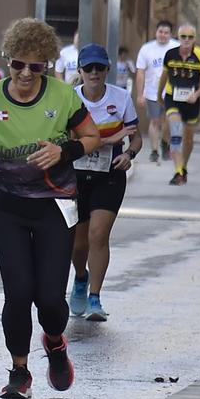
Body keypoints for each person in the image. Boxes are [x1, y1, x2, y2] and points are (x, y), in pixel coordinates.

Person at [0, 19, 100, 399]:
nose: (25, 73)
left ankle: (55, 342)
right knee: (18, 292)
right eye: (18, 65)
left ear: (48, 66)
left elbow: (91, 136)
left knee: (51, 301)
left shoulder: (63, 97)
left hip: (54, 205)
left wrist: (65, 150)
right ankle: (19, 371)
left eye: (36, 67)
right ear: (8, 61)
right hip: (8, 204)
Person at [67, 45, 139, 324]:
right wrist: (108, 140)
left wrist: (129, 154)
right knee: (77, 242)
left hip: (108, 174)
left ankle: (95, 297)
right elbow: (67, 140)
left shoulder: (120, 98)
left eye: (99, 68)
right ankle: (81, 277)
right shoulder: (70, 99)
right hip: (75, 175)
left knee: (98, 234)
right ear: (80, 71)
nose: (94, 73)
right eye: (88, 68)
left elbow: (135, 137)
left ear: (107, 70)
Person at [159, 24, 200, 184]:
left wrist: (196, 95)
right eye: (183, 37)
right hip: (172, 97)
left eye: (190, 37)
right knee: (176, 132)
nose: (187, 40)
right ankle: (177, 171)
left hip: (191, 100)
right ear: (178, 37)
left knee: (188, 139)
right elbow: (164, 76)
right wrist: (158, 95)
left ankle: (183, 167)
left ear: (194, 38)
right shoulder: (170, 54)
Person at [134, 21, 174, 164]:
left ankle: (165, 143)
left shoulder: (176, 47)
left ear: (170, 34)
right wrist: (140, 94)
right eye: (160, 32)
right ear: (156, 32)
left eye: (166, 32)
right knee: (155, 121)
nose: (163, 35)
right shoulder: (147, 49)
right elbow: (140, 72)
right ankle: (154, 150)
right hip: (152, 92)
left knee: (169, 122)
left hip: (171, 92)